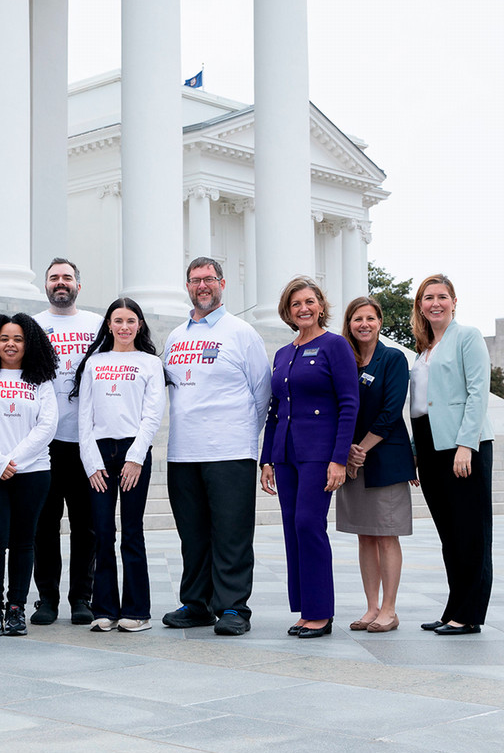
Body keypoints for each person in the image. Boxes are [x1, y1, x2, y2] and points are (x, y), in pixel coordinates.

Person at [162, 257, 271, 636]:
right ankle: (196, 603)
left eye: (209, 279)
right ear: (188, 287)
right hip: (183, 452)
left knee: (231, 533)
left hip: (230, 451)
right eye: (195, 280)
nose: (202, 286)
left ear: (222, 284)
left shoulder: (242, 333)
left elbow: (262, 393)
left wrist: (241, 433)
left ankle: (233, 608)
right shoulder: (175, 336)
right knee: (192, 535)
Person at [260, 277, 358, 638]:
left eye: (309, 301)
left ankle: (321, 612)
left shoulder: (335, 346)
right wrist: (267, 458)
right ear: (287, 311)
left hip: (320, 453)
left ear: (321, 306)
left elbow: (349, 404)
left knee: (308, 523)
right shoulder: (283, 353)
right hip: (286, 453)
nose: (303, 308)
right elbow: (275, 409)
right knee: (292, 528)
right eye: (295, 303)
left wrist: (338, 458)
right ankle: (305, 609)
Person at [0, 313, 58, 637]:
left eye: (17, 339)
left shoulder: (41, 381)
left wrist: (12, 460)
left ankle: (16, 607)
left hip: (31, 472)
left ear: (28, 343)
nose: (11, 344)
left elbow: (47, 426)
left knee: (22, 542)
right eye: (5, 338)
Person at [73, 298, 166, 632]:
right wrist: (91, 463)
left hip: (132, 453)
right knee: (101, 533)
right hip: (99, 453)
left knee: (131, 532)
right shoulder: (95, 362)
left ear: (139, 325)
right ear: (108, 325)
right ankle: (105, 609)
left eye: (130, 321)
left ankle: (137, 610)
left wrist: (136, 457)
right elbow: (84, 416)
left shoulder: (150, 363)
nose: (124, 327)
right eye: (118, 321)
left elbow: (152, 413)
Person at [409, 274, 494, 635]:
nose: (435, 303)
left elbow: (478, 392)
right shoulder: (423, 347)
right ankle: (453, 608)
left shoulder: (467, 336)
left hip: (462, 443)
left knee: (471, 531)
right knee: (449, 532)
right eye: (428, 297)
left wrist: (466, 444)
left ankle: (469, 613)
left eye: (442, 296)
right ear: (420, 305)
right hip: (429, 444)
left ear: (454, 301)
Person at [336, 297, 417, 633]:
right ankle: (371, 607)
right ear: (349, 324)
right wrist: (346, 453)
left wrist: (360, 450)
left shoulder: (393, 358)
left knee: (386, 536)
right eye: (357, 319)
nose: (364, 324)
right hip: (353, 459)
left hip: (384, 459)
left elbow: (390, 411)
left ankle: (389, 609)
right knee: (365, 536)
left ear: (380, 322)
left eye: (370, 318)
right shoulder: (346, 360)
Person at [32, 258, 102, 626]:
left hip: (85, 441)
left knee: (85, 525)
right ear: (45, 285)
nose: (61, 283)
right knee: (44, 524)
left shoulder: (96, 324)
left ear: (78, 285)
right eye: (54, 278)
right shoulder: (32, 326)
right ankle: (46, 599)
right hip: (44, 442)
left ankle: (81, 598)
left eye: (67, 278)